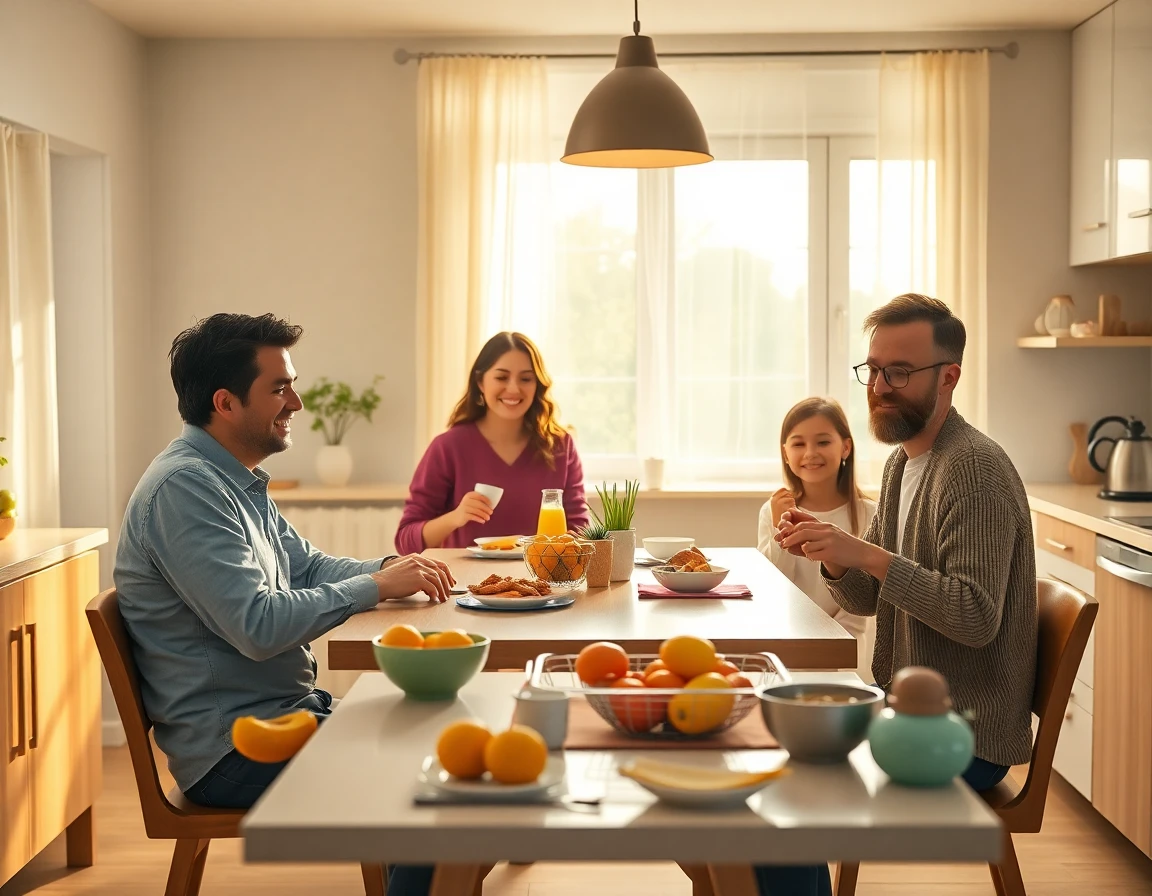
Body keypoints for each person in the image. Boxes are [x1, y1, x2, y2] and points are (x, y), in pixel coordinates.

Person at [114, 313, 451, 895]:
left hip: (284, 712)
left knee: (434, 736)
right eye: (279, 387)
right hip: (236, 748)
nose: (296, 401)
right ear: (225, 402)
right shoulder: (185, 490)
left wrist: (391, 570)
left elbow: (311, 567)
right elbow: (258, 626)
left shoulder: (231, 477)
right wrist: (374, 588)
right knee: (434, 785)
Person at [777, 294, 1038, 793]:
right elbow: (867, 599)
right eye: (873, 370)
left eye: (899, 371)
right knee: (767, 734)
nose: (878, 388)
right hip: (905, 710)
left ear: (948, 377)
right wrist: (832, 556)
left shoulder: (974, 470)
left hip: (962, 736)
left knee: (781, 765)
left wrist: (865, 553)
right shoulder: (902, 464)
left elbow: (976, 617)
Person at [396, 332, 590, 552]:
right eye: (501, 377)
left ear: (537, 385)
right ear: (480, 382)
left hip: (541, 583)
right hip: (466, 583)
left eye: (526, 379)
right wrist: (456, 517)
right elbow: (406, 541)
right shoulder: (448, 447)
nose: (514, 389)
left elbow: (580, 532)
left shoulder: (560, 447)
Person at [758, 397, 877, 683]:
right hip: (784, 644)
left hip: (847, 652)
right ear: (785, 453)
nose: (810, 453)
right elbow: (771, 587)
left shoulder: (870, 513)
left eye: (823, 442)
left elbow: (862, 602)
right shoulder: (771, 510)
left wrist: (830, 649)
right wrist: (780, 527)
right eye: (798, 444)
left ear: (845, 447)